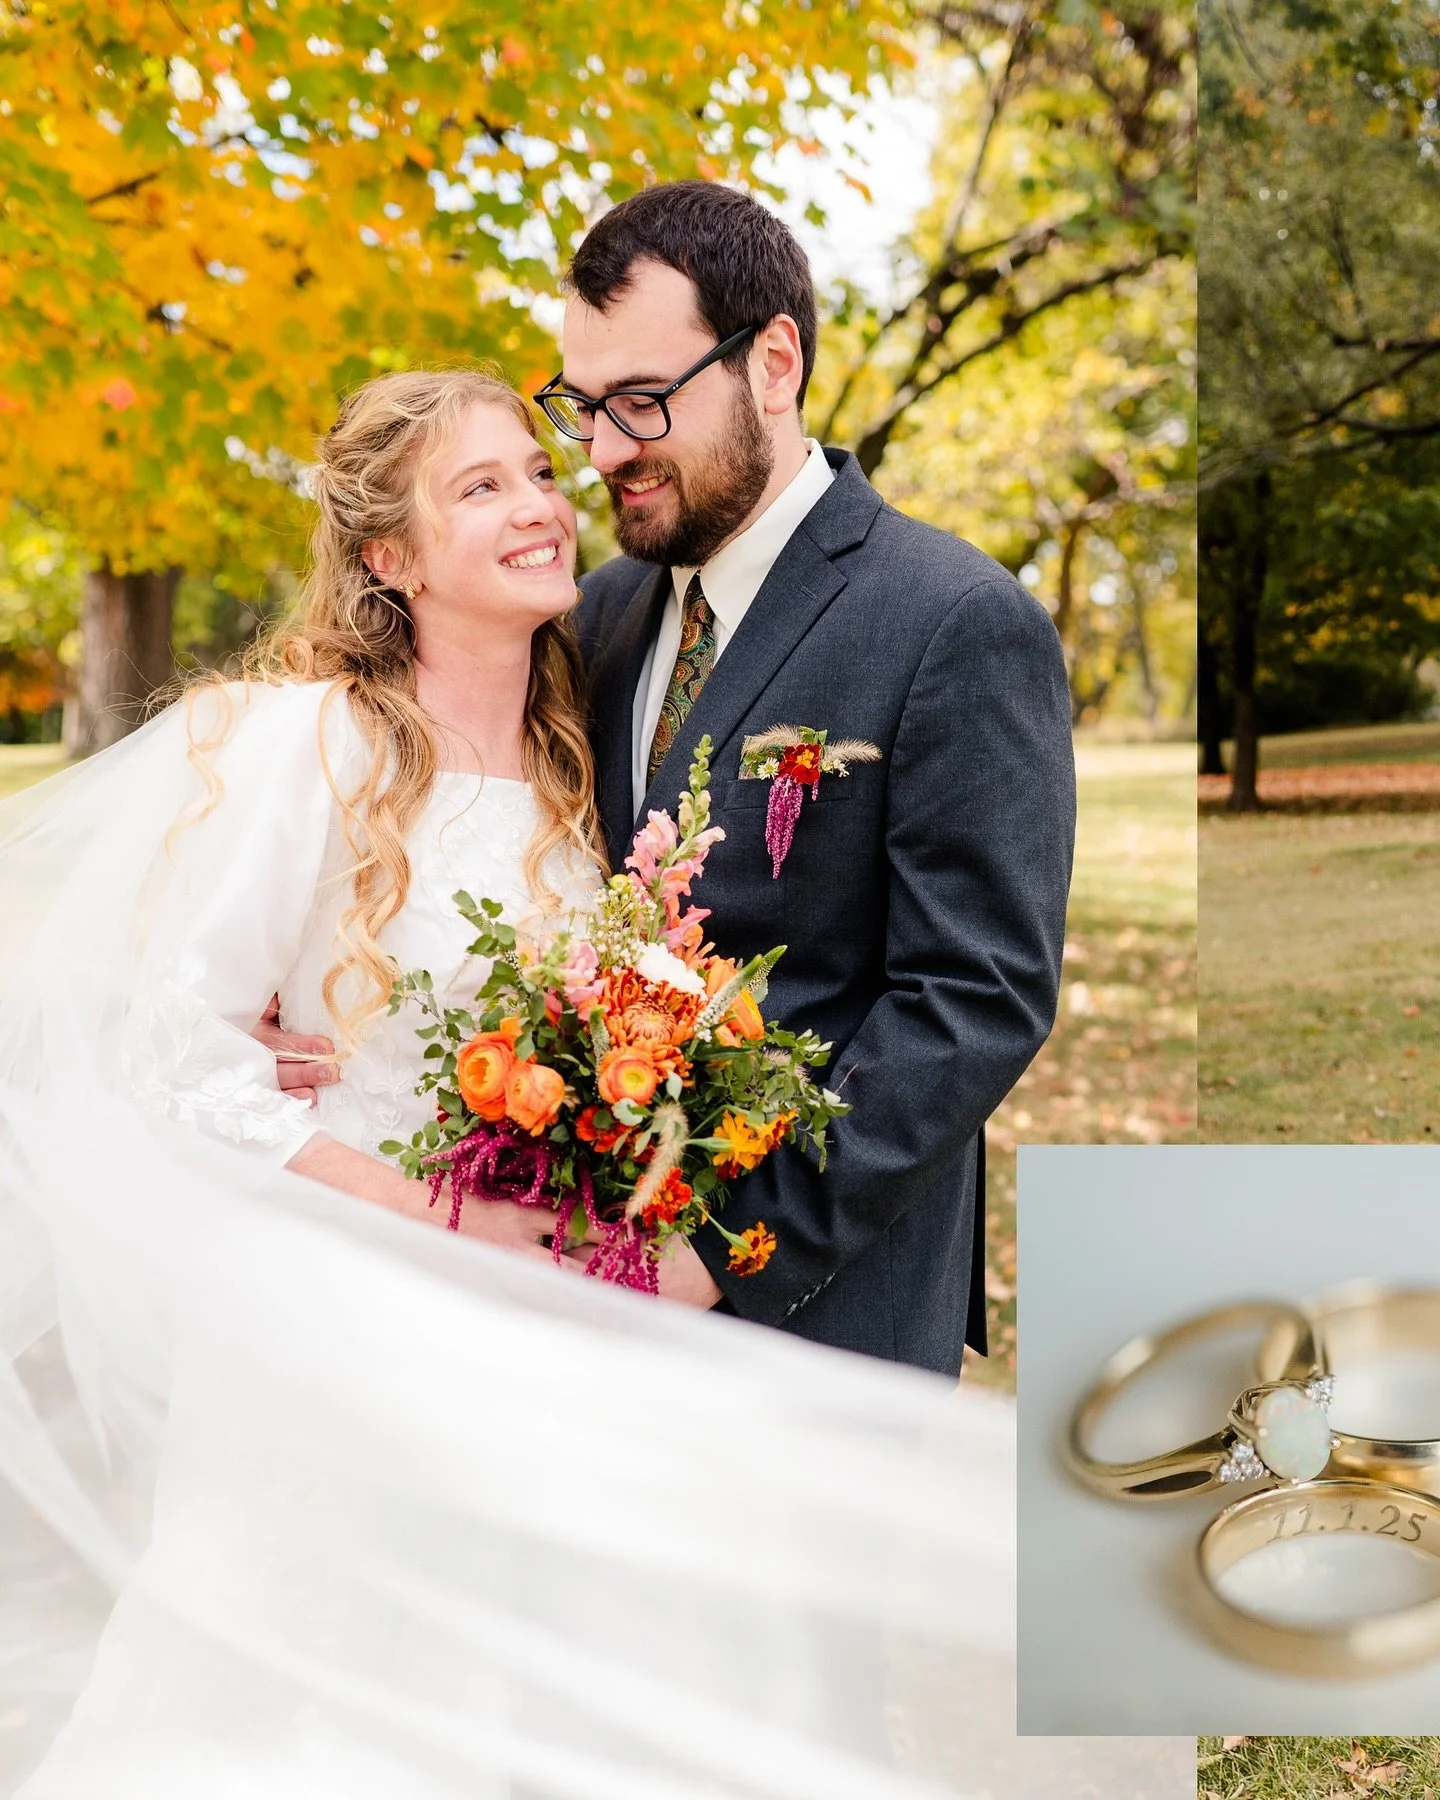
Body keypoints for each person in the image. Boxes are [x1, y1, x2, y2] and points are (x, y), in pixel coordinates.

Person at [0, 365, 1015, 1796]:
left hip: (544, 1335)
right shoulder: (314, 746)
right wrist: (435, 1211)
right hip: (346, 1323)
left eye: (538, 473)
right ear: (388, 559)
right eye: (481, 488)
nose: (543, 504)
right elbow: (177, 1049)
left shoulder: (571, 771)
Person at [272, 181, 1076, 1376]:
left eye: (642, 402)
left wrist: (722, 1248)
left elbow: (974, 998)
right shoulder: (595, 614)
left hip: (819, 1311)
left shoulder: (954, 619)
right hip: (574, 1309)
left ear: (774, 363)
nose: (599, 452)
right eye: (582, 407)